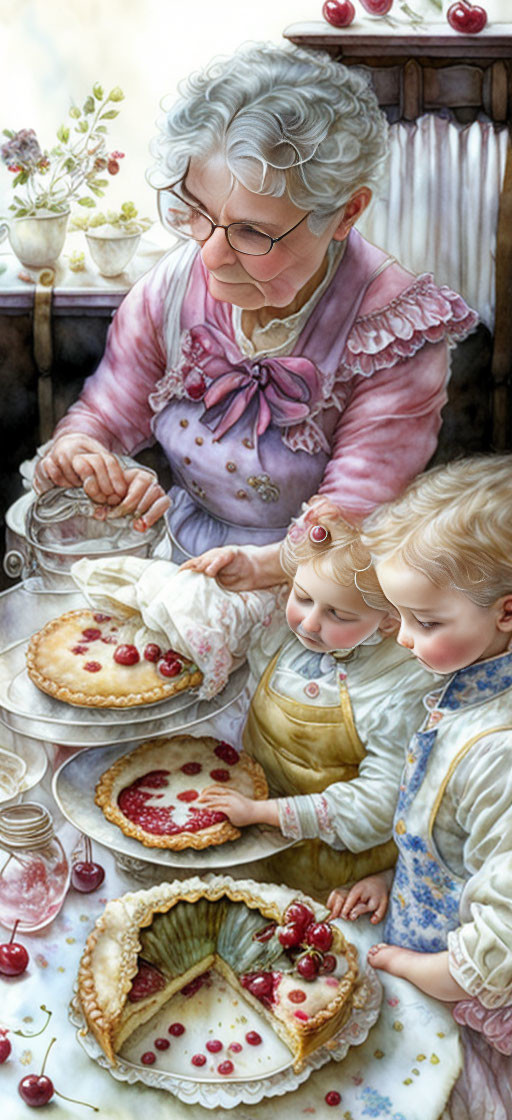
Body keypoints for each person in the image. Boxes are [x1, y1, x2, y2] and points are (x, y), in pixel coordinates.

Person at [33, 43, 477, 570]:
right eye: (197, 212)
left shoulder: (394, 329)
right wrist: (84, 453)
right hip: (180, 559)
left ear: (346, 213)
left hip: (321, 592)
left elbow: (358, 513)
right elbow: (106, 413)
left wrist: (264, 568)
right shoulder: (170, 289)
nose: (211, 255)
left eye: (251, 232)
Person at [326, 455, 512, 1119]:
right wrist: (396, 876)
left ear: (508, 613)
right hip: (417, 948)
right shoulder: (469, 684)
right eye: (400, 616)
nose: (402, 639)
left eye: (426, 623)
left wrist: (407, 967)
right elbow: (452, 839)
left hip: (460, 1002)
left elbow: (502, 939)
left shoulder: (501, 753)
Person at [196, 514, 437, 899]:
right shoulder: (289, 631)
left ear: (389, 622)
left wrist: (263, 814)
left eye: (338, 614)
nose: (308, 624)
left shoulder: (399, 686)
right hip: (249, 830)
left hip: (329, 871)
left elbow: (377, 808)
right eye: (303, 597)